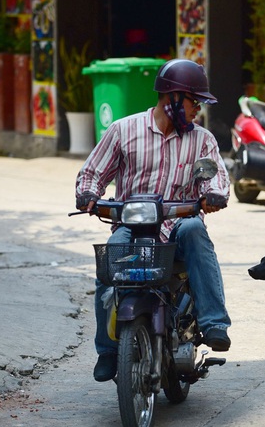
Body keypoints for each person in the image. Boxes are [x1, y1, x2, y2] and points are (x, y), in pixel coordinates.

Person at [75, 59, 232, 382]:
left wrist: (214, 195)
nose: (197, 110)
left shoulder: (202, 140)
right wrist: (88, 194)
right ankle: (107, 350)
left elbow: (215, 177)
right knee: (109, 262)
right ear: (172, 98)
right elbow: (92, 172)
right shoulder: (123, 130)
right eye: (194, 101)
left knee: (195, 229)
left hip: (178, 226)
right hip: (131, 226)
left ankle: (215, 322)